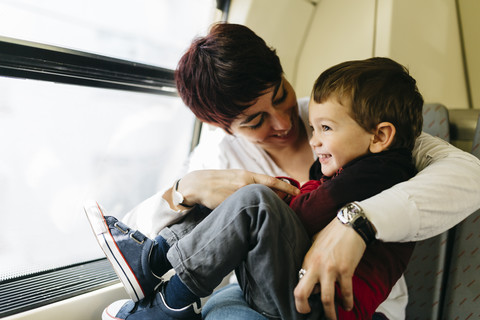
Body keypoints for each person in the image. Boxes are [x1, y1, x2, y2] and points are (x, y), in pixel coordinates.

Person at [109, 23, 480, 320]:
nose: (285, 122)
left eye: (281, 94)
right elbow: (138, 222)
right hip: (257, 289)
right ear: (223, 127)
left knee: (251, 205)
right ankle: (155, 272)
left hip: (345, 304)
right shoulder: (217, 157)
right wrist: (185, 189)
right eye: (255, 121)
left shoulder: (346, 119)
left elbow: (469, 177)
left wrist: (358, 223)